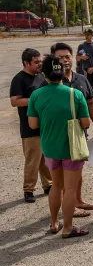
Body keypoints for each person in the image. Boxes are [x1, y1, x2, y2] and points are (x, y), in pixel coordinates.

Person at [28, 55, 92, 238]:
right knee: (70, 189)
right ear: (63, 72)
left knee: (56, 186)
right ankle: (68, 228)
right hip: (71, 147)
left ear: (44, 73)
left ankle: (54, 222)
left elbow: (33, 124)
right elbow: (86, 123)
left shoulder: (36, 95)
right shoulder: (75, 94)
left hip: (49, 147)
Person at [50, 42, 93, 216]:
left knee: (77, 169)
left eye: (67, 56)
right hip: (60, 136)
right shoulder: (49, 83)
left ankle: (78, 200)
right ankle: (69, 207)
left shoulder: (81, 78)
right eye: (60, 58)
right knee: (65, 174)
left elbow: (90, 103)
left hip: (80, 132)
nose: (64, 60)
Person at [10, 48, 51, 203]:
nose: (40, 64)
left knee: (46, 159)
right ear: (26, 63)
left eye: (40, 61)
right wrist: (35, 100)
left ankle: (48, 185)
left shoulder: (41, 76)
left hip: (45, 126)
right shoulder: (19, 79)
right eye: (36, 62)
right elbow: (15, 101)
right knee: (32, 160)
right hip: (29, 127)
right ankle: (28, 190)